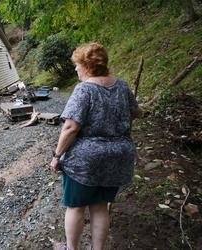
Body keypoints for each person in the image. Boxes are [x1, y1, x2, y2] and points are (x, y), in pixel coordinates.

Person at [50, 42, 142, 250]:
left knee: (75, 207)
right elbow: (136, 112)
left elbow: (71, 127)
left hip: (87, 161)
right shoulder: (122, 86)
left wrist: (57, 155)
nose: (75, 69)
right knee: (100, 206)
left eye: (77, 64)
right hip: (118, 157)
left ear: (88, 66)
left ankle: (72, 249)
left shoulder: (84, 90)